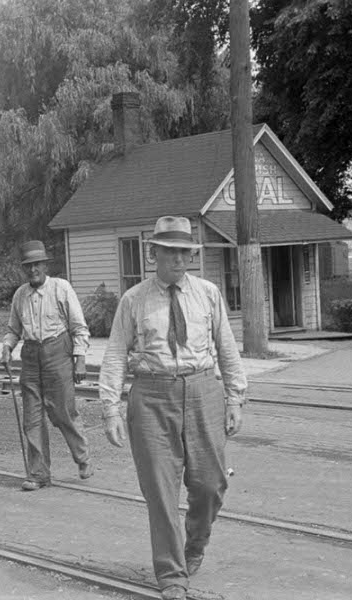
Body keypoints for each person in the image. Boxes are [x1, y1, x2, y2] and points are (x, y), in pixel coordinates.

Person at [98, 216, 247, 600]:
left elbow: (227, 348)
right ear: (155, 254)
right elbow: (115, 354)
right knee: (161, 492)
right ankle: (171, 574)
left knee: (210, 485)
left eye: (185, 252)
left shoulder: (208, 294)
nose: (180, 260)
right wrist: (110, 408)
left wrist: (235, 398)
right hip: (150, 396)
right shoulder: (134, 300)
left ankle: (194, 544)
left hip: (202, 392)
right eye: (171, 252)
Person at [1, 240, 93, 491]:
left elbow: (79, 327)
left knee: (63, 412)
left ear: (45, 265)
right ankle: (39, 474)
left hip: (57, 353)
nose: (33, 270)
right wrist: (7, 347)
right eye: (28, 266)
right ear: (24, 269)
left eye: (37, 264)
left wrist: (80, 358)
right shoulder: (20, 295)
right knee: (32, 419)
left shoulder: (61, 288)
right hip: (31, 357)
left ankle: (83, 457)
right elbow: (13, 329)